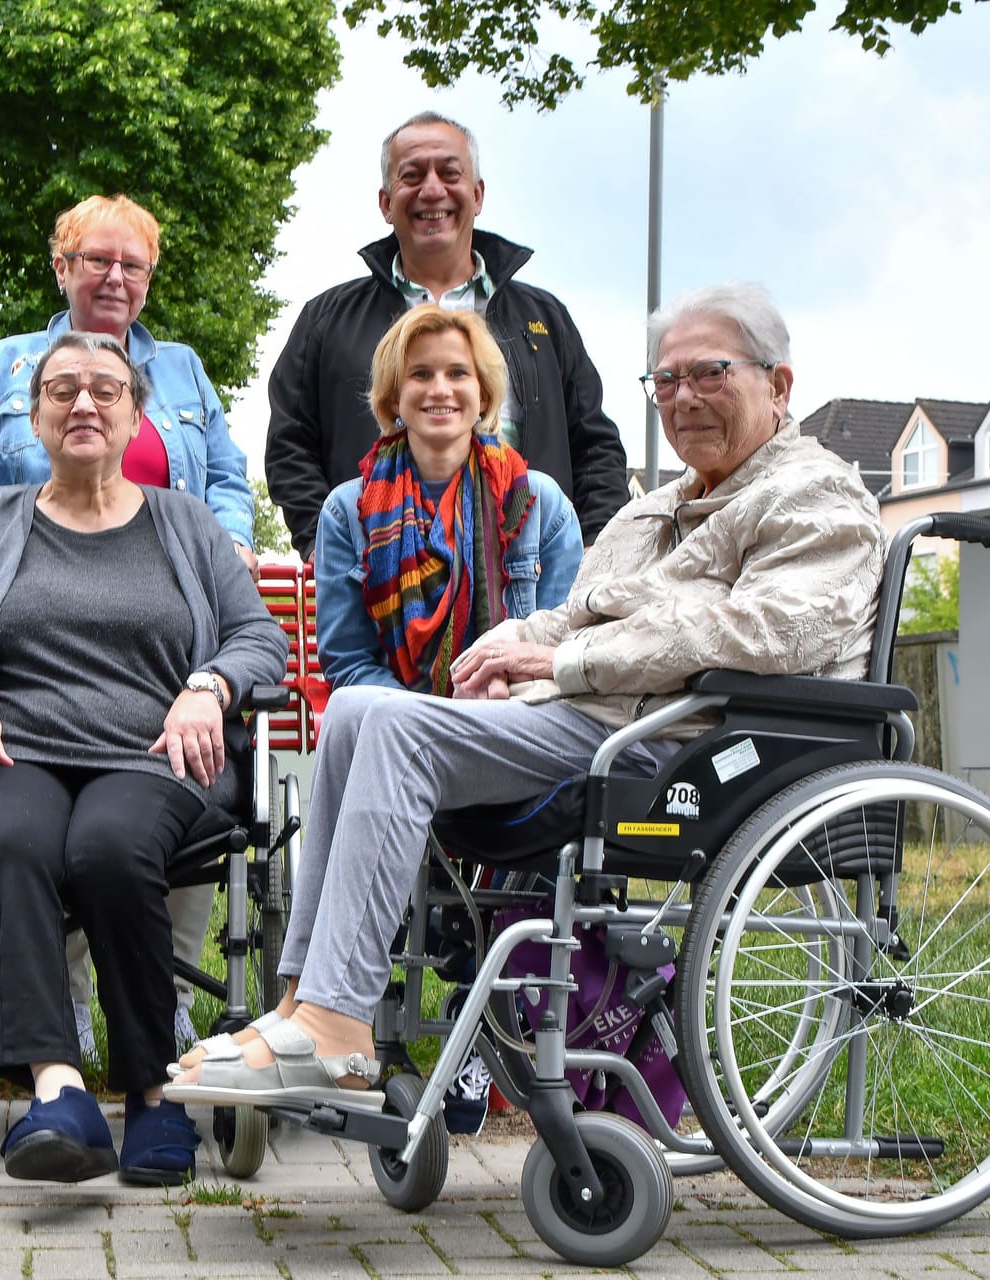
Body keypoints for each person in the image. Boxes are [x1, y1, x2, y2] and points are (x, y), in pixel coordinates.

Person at [170, 283, 886, 1109]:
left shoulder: (812, 495)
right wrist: (512, 644)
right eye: (665, 382)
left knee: (401, 731)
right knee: (359, 712)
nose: (683, 398)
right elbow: (576, 608)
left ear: (779, 384)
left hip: (699, 743)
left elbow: (763, 634)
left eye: (709, 374)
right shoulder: (659, 507)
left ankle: (338, 1021)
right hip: (613, 718)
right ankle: (303, 1002)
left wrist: (565, 663)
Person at [0, 332, 287, 1184]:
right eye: (62, 389)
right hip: (16, 745)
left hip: (153, 753)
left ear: (134, 419)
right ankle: (59, 1093)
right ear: (36, 418)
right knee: (14, 841)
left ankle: (155, 1094)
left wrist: (211, 686)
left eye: (105, 391)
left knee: (108, 849)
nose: (84, 403)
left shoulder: (187, 524)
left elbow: (259, 637)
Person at [0, 193, 256, 1059]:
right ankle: (63, 1022)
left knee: (137, 816)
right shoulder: (7, 365)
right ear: (62, 265)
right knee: (34, 823)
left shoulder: (181, 373)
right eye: (96, 260)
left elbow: (226, 478)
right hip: (27, 662)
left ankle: (162, 1008)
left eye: (133, 265)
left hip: (159, 659)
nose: (114, 276)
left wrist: (217, 557)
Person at [265, 111, 628, 561]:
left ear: (477, 195)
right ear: (385, 202)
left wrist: (595, 546)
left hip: (530, 582)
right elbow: (290, 444)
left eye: (449, 173)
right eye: (412, 176)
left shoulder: (545, 319)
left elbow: (596, 446)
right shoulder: (326, 321)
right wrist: (326, 542)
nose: (432, 189)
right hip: (379, 584)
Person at [313, 304, 582, 695]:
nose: (440, 389)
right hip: (397, 727)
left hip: (510, 713)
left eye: (458, 373)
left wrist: (489, 692)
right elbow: (349, 663)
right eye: (420, 374)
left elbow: (561, 648)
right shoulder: (345, 512)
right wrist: (427, 720)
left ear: (484, 395)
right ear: (393, 399)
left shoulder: (543, 504)